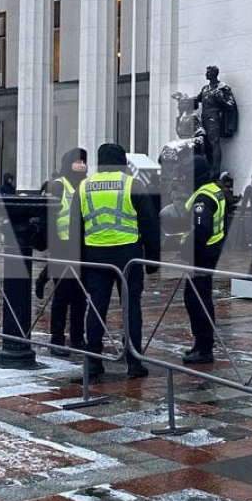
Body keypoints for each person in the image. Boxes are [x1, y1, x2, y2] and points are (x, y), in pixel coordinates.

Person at [72, 142, 160, 381]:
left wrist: (79, 262)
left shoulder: (84, 187)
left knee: (96, 307)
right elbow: (150, 225)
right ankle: (133, 361)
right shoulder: (133, 184)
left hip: (95, 254)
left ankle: (93, 361)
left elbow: (75, 229)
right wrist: (153, 260)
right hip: (128, 254)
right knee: (131, 307)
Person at [40, 148, 88, 356]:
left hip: (82, 248)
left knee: (80, 297)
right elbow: (48, 216)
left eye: (84, 162)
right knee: (62, 296)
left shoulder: (86, 185)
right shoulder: (59, 185)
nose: (82, 165)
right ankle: (57, 339)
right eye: (78, 162)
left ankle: (78, 338)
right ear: (69, 163)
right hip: (62, 247)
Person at [179, 154, 226, 364]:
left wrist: (185, 248)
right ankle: (202, 344)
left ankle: (204, 346)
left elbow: (201, 230)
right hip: (211, 250)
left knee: (196, 299)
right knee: (199, 297)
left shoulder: (202, 197)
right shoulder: (214, 189)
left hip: (201, 254)